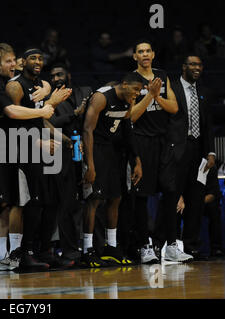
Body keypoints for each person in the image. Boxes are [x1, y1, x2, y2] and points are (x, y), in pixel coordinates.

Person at [0, 43, 68, 271]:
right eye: (7, 61)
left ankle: (4, 254)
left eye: (14, 60)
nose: (12, 64)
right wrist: (45, 108)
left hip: (13, 143)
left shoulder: (13, 80)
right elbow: (13, 113)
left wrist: (44, 91)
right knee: (1, 199)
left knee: (14, 201)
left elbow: (40, 84)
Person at [129, 39, 192, 263]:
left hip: (164, 141)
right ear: (135, 56)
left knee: (170, 192)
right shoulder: (131, 79)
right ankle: (144, 246)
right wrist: (150, 95)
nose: (145, 54)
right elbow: (132, 116)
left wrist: (156, 96)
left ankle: (171, 244)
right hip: (142, 141)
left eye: (148, 50)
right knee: (143, 196)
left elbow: (174, 108)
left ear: (153, 54)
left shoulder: (162, 74)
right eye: (140, 51)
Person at [82, 73, 142, 268]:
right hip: (95, 148)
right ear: (124, 84)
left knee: (116, 197)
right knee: (94, 199)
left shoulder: (128, 101)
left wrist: (136, 160)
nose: (137, 94)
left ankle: (112, 247)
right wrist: (90, 165)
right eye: (135, 90)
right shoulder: (101, 97)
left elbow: (128, 130)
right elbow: (87, 130)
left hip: (112, 151)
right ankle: (88, 249)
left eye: (139, 91)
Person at [167, 54, 216, 259]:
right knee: (172, 199)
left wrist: (211, 152)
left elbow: (208, 125)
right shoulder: (173, 88)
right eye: (193, 64)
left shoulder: (204, 92)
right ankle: (169, 244)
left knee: (195, 200)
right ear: (183, 67)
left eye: (199, 64)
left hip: (198, 151)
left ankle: (191, 246)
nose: (197, 67)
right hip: (177, 149)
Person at [48, 64, 92, 264]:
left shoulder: (85, 92)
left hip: (86, 151)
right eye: (53, 76)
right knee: (67, 204)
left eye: (59, 74)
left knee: (90, 201)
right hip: (61, 154)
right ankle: (70, 251)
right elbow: (49, 123)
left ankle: (91, 248)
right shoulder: (50, 99)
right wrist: (74, 114)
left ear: (69, 74)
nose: (56, 78)